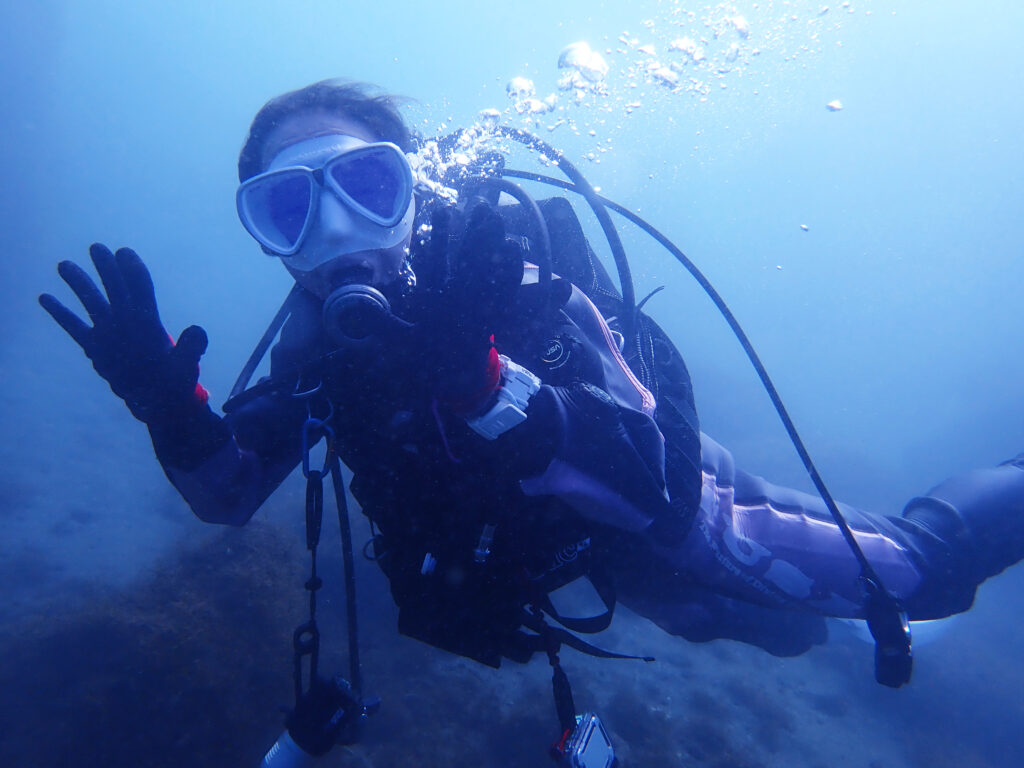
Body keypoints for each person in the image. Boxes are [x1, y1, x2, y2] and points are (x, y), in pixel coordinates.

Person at [40, 79, 1024, 759]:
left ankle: (876, 606)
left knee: (909, 579)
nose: (337, 235)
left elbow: (672, 503)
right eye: (289, 209)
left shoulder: (520, 287)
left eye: (366, 188)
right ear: (270, 240)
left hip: (662, 516)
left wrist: (482, 376)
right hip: (545, 561)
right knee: (733, 622)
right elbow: (227, 496)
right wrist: (171, 413)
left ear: (414, 187)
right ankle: (830, 637)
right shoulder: (317, 354)